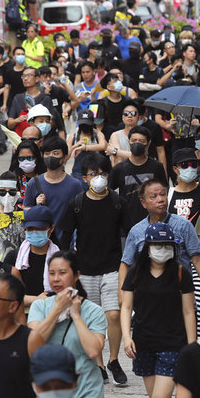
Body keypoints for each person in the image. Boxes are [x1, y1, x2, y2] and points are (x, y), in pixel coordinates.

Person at [58, 153, 131, 385]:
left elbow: (129, 234)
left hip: (112, 267)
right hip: (85, 269)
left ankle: (113, 359)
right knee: (93, 318)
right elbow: (66, 235)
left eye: (103, 173)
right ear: (84, 178)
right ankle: (99, 363)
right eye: (94, 174)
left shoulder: (119, 202)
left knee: (113, 314)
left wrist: (127, 266)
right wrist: (67, 264)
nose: (99, 178)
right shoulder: (77, 204)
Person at [121, 223, 196, 398]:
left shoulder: (181, 273)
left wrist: (192, 346)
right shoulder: (135, 273)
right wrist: (126, 336)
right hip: (143, 344)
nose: (162, 249)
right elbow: (126, 307)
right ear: (147, 247)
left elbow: (188, 311)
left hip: (172, 344)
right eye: (157, 245)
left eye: (167, 245)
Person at [28, 251, 107, 398]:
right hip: (50, 394)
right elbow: (32, 344)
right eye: (51, 273)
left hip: (87, 394)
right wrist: (57, 309)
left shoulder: (94, 311)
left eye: (62, 273)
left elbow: (93, 351)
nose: (56, 279)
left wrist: (76, 316)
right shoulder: (39, 306)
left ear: (76, 275)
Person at [22, 136, 84, 240]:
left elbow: (80, 216)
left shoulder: (75, 185)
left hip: (65, 244)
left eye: (55, 153)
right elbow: (26, 212)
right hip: (41, 241)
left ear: (65, 157)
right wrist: (36, 207)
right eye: (47, 153)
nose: (51, 156)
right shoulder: (34, 183)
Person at [108, 126, 168, 226]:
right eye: (134, 140)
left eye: (141, 141)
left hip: (154, 222)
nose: (137, 143)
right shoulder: (119, 169)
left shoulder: (156, 166)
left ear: (148, 143)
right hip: (126, 223)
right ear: (129, 142)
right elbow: (109, 192)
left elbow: (165, 191)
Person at [168, 148, 200, 225]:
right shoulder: (168, 195)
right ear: (175, 169)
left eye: (194, 165)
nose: (190, 168)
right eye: (184, 165)